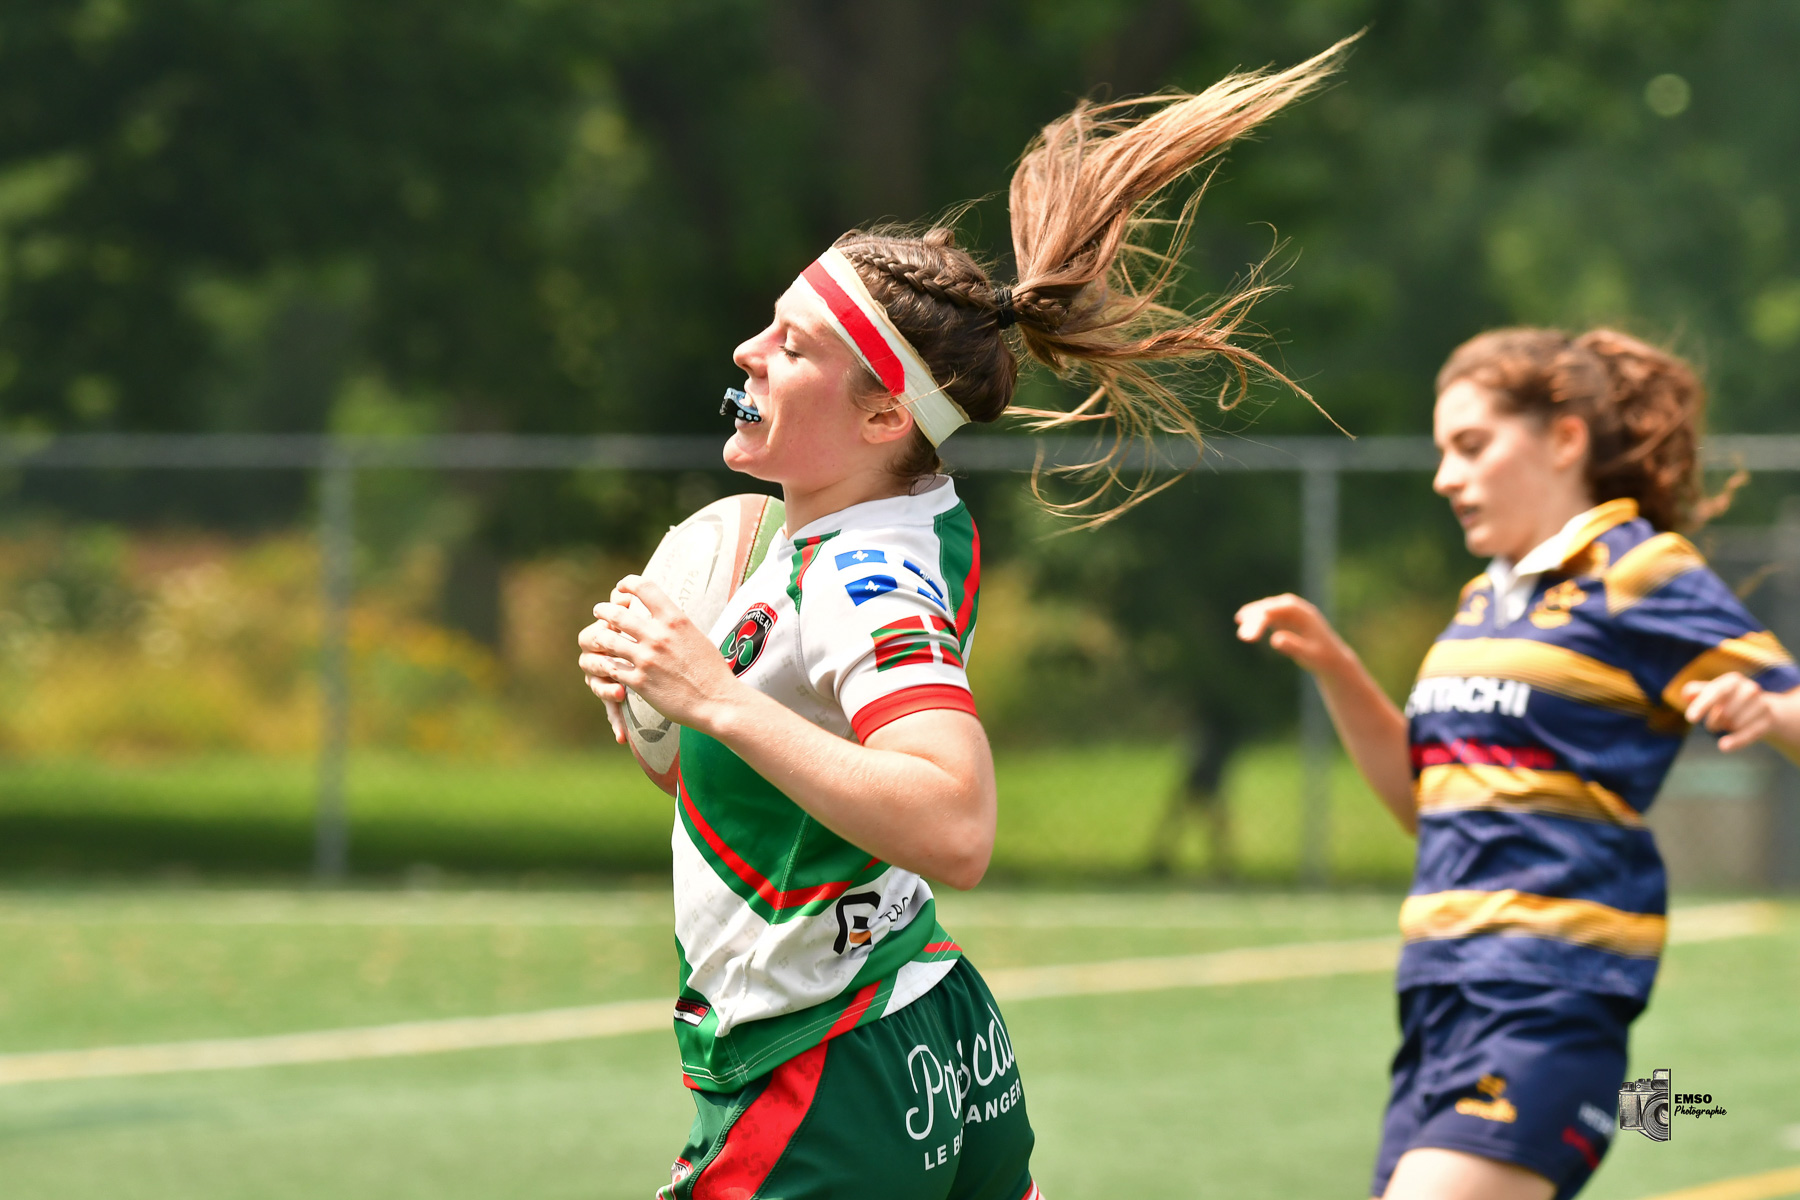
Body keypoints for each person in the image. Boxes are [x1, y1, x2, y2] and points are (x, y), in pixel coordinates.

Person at [576, 39, 1352, 1200]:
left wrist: (713, 699)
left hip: (827, 1077)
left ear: (886, 411)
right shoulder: (882, 521)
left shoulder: (864, 579)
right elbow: (813, 794)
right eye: (768, 325)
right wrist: (675, 723)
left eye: (793, 346)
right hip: (920, 1025)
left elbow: (955, 824)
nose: (748, 352)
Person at [1237, 327, 1800, 1200]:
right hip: (1441, 992)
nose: (1445, 477)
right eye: (1441, 453)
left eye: (1471, 446)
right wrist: (1337, 668)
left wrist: (1767, 708)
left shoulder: (1636, 568)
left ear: (1564, 438)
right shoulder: (1484, 600)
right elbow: (1430, 811)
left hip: (1547, 994)